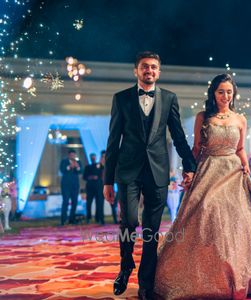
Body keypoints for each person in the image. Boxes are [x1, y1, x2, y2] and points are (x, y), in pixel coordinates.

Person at [155, 74, 251, 299]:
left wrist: (246, 165)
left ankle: (240, 277)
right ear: (213, 94)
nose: (225, 96)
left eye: (229, 92)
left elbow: (240, 149)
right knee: (206, 211)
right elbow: (196, 148)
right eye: (220, 92)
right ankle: (205, 277)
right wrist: (189, 171)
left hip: (234, 172)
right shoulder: (203, 117)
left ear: (233, 94)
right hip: (208, 170)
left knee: (237, 224)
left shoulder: (240, 119)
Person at [103, 51, 197, 299]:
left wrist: (190, 166)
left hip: (157, 171)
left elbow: (178, 136)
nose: (149, 71)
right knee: (129, 222)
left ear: (159, 71)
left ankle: (146, 285)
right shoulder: (121, 99)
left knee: (151, 230)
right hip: (127, 171)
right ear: (136, 70)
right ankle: (125, 267)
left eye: (154, 67)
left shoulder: (169, 98)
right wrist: (107, 180)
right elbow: (113, 141)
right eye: (145, 66)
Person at [59, 149, 82, 225]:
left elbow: (80, 171)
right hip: (66, 185)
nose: (73, 156)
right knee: (65, 202)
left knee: (74, 202)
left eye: (74, 155)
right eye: (71, 155)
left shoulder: (78, 162)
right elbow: (62, 170)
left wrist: (77, 167)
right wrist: (69, 166)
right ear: (68, 155)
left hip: (75, 186)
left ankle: (72, 219)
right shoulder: (64, 161)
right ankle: (63, 220)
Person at [83, 153, 104, 224]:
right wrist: (90, 177)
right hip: (90, 188)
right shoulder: (87, 167)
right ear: (90, 158)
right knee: (89, 203)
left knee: (99, 203)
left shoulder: (100, 166)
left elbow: (104, 171)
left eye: (94, 157)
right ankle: (88, 218)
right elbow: (84, 177)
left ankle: (99, 218)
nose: (93, 158)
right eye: (92, 157)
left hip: (98, 187)